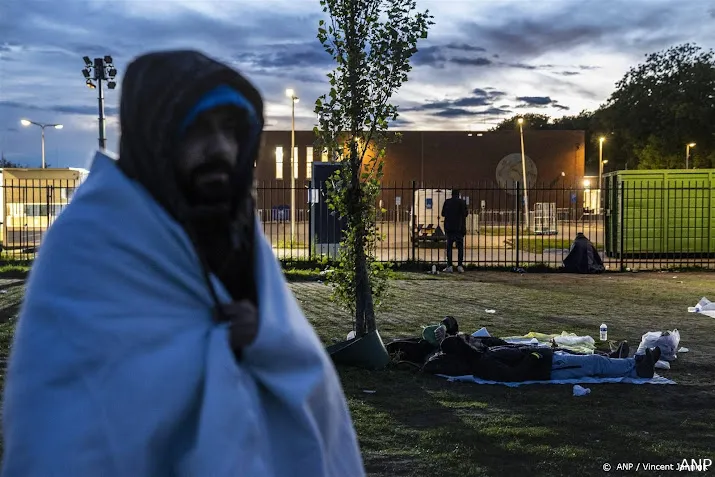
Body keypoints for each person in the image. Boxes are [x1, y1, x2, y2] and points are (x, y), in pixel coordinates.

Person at [1, 50, 365, 477]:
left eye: (231, 130)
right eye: (198, 129)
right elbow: (74, 423)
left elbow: (298, 362)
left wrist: (261, 335)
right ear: (156, 135)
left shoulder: (237, 229)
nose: (221, 149)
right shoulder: (92, 238)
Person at [441, 189, 468, 273]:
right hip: (459, 228)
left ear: (452, 194)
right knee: (460, 247)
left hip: (449, 228)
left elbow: (443, 214)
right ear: (458, 194)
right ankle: (460, 266)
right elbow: (466, 214)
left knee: (449, 247)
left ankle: (450, 266)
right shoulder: (462, 202)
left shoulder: (447, 202)